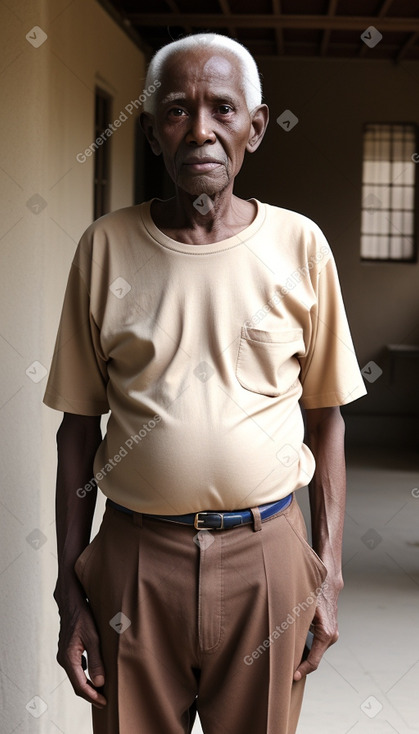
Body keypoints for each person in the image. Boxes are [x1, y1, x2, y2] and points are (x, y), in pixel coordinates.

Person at [44, 32, 366, 734]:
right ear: (151, 129)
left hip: (267, 559)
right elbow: (76, 428)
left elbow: (326, 418)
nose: (200, 130)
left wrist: (328, 572)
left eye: (222, 109)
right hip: (132, 563)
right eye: (176, 110)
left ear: (255, 125)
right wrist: (72, 593)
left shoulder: (300, 246)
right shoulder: (104, 247)